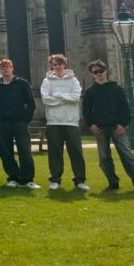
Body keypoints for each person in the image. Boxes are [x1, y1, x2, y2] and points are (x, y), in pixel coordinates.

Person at [82, 60, 134, 193]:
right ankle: (113, 182)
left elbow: (124, 107)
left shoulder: (116, 88)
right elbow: (86, 110)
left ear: (106, 71)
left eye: (101, 71)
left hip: (116, 127)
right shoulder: (90, 91)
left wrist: (123, 124)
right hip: (100, 128)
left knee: (127, 155)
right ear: (92, 74)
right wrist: (91, 124)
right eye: (95, 72)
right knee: (104, 158)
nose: (98, 74)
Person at [0, 58, 38, 189]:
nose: (5, 69)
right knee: (6, 152)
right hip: (2, 124)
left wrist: (25, 119)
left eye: (8, 66)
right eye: (2, 67)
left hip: (19, 122)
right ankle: (13, 178)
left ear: (12, 68)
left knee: (25, 151)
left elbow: (31, 104)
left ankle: (27, 180)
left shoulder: (22, 83)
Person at [40, 53, 88, 192]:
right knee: (55, 153)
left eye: (60, 64)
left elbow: (76, 97)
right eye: (54, 64)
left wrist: (58, 96)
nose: (58, 67)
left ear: (64, 64)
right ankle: (55, 180)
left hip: (71, 123)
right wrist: (65, 99)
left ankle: (80, 180)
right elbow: (46, 99)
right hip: (53, 123)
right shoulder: (47, 81)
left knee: (76, 153)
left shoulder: (73, 80)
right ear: (51, 66)